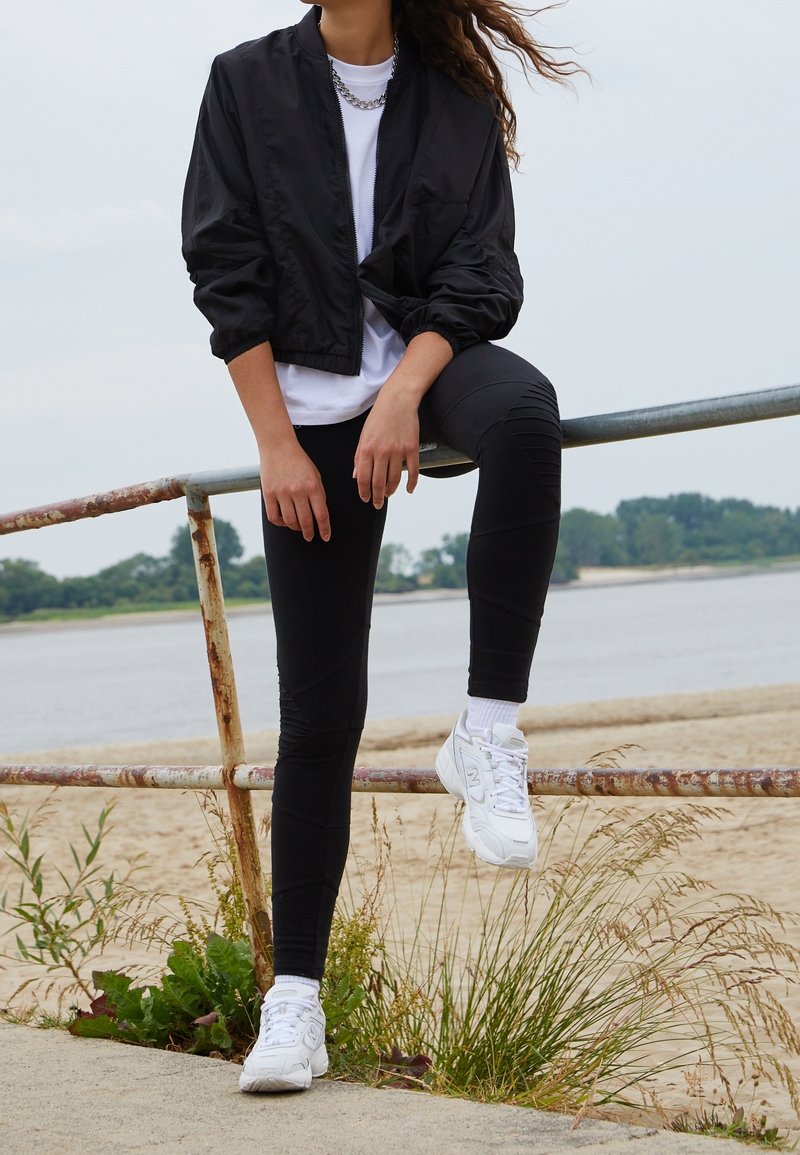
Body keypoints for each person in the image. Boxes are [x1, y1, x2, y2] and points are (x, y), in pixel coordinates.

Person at [183, 0, 574, 1095]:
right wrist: (275, 444)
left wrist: (402, 390)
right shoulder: (246, 81)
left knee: (524, 416)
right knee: (320, 719)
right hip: (302, 406)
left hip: (426, 363)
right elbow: (223, 267)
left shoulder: (452, 93)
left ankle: (486, 733)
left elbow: (483, 271)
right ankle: (295, 1005)